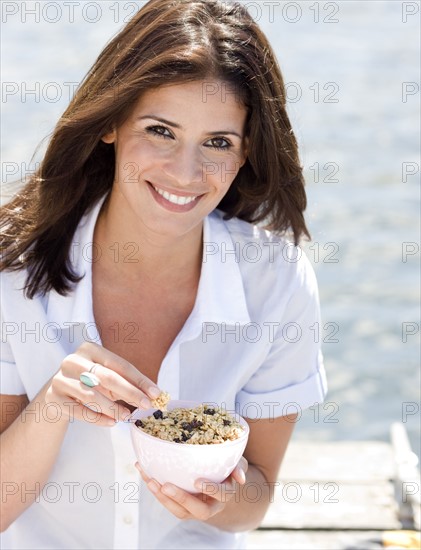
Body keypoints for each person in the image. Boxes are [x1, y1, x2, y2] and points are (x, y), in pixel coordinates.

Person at [0, 0, 327, 548]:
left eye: (217, 142)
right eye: (160, 130)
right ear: (110, 123)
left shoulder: (279, 282)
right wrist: (53, 407)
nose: (185, 172)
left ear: (246, 152)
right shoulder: (13, 273)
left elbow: (257, 498)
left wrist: (222, 500)